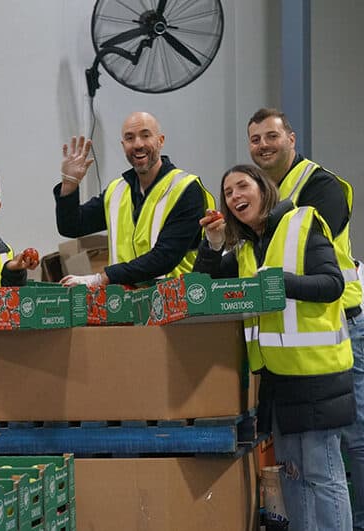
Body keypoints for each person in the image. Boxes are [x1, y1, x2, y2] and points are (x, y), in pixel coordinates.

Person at [194, 164, 355, 531]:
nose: (235, 197)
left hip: (318, 376)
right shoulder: (246, 248)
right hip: (278, 380)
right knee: (293, 475)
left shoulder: (301, 223)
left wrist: (278, 283)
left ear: (264, 189)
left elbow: (332, 285)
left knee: (322, 474)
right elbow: (201, 290)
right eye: (228, 193)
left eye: (242, 186)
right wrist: (214, 244)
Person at [248, 107, 364, 530]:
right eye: (255, 139)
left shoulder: (321, 187)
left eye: (271, 136)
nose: (263, 145)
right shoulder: (265, 194)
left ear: (291, 139)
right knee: (302, 467)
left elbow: (313, 262)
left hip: (339, 328)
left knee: (349, 445)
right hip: (292, 349)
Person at [54, 111, 215, 287]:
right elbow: (71, 226)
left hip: (177, 305)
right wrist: (69, 185)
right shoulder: (117, 190)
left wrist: (102, 278)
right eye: (130, 138)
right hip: (126, 304)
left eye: (145, 136)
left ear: (160, 141)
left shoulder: (185, 189)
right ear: (123, 146)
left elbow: (165, 256)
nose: (138, 144)